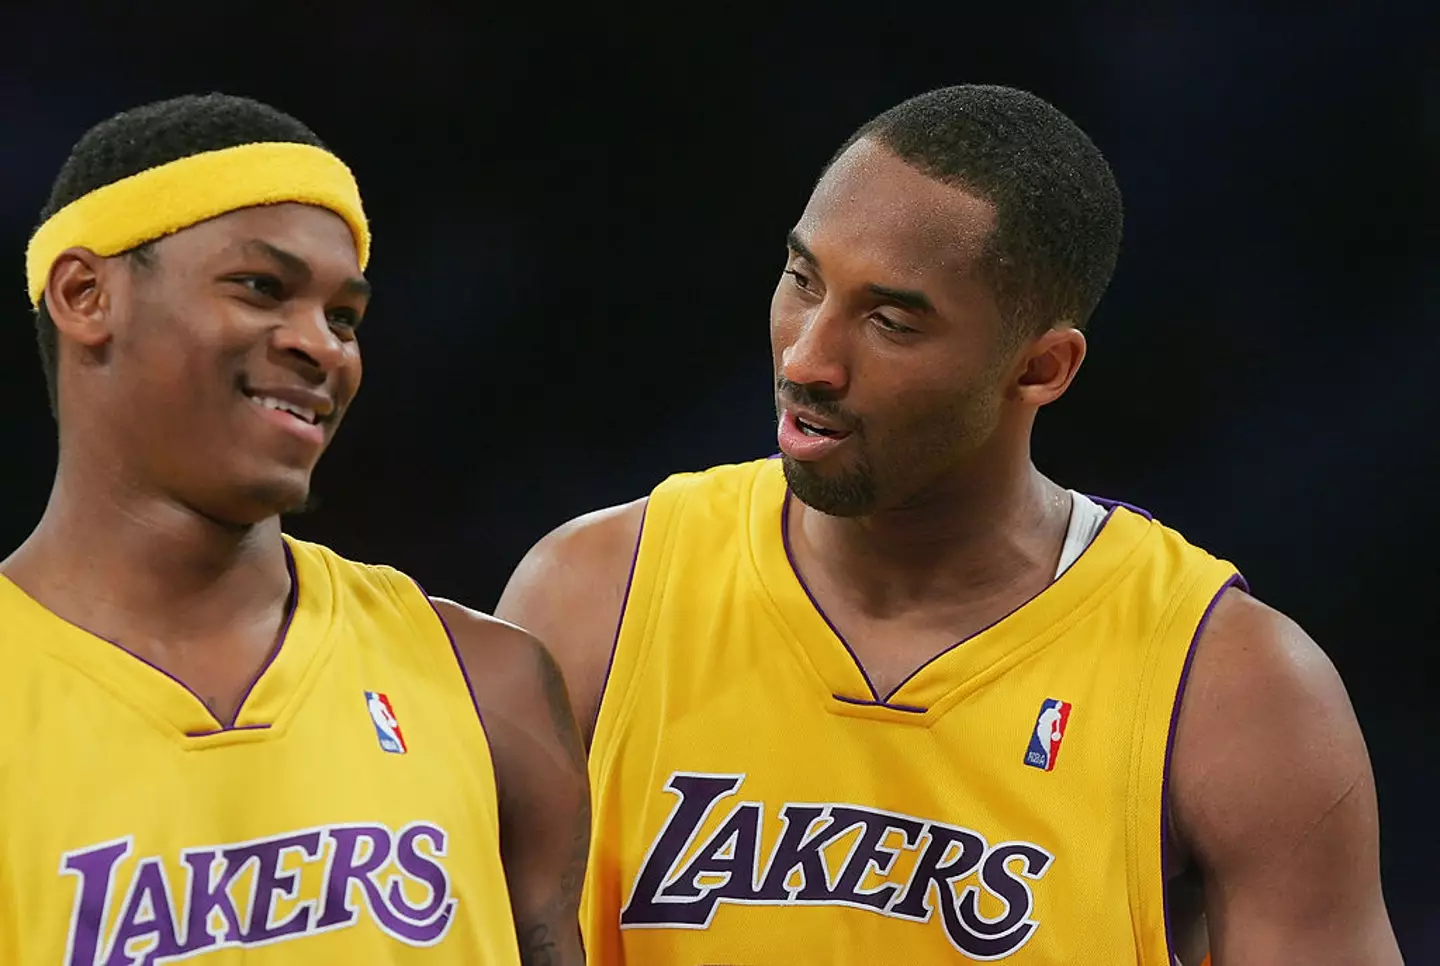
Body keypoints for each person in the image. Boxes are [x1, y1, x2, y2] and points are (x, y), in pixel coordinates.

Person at [496, 85, 1402, 965]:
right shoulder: (593, 596)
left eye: (890, 322)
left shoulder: (1232, 691)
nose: (807, 359)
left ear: (1041, 368)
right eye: (803, 280)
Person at [1, 93, 587, 965]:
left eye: (343, 316)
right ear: (85, 295)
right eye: (262, 288)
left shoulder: (487, 683)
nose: (324, 347)